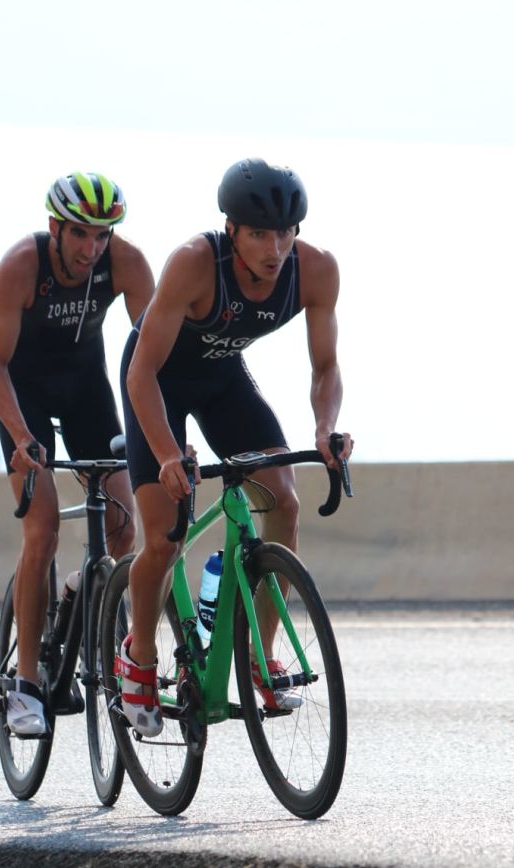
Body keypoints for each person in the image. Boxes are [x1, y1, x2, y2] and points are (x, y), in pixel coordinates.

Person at [116, 157, 353, 738]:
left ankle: (257, 655)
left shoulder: (316, 271)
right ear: (231, 230)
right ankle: (138, 657)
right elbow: (142, 373)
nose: (274, 247)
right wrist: (170, 454)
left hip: (223, 378)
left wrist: (325, 429)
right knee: (166, 534)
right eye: (258, 234)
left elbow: (325, 366)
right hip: (158, 380)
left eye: (284, 232)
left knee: (285, 505)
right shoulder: (195, 265)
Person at [0, 171, 156, 737]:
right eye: (80, 233)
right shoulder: (21, 267)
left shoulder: (127, 264)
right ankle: (27, 683)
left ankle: (81, 591)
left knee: (127, 526)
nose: (91, 248)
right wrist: (22, 437)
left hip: (87, 393)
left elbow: (157, 357)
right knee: (45, 528)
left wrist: (166, 434)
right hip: (24, 396)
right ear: (55, 227)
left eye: (102, 235)